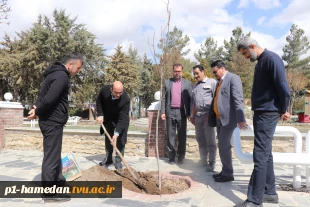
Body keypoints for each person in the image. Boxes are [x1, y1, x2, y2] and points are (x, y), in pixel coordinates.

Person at [234, 36, 290, 207]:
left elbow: (283, 86)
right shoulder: (261, 62)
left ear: (252, 46)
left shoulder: (272, 59)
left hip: (268, 113)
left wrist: (284, 108)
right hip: (262, 112)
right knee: (266, 154)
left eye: (245, 53)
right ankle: (269, 192)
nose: (245, 57)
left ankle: (254, 199)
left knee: (260, 154)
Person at [27, 53, 83, 201]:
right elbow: (50, 97)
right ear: (70, 65)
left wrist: (35, 108)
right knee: (51, 157)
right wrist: (38, 111)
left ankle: (58, 181)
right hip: (52, 122)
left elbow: (42, 95)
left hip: (52, 121)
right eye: (77, 68)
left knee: (54, 154)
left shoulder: (54, 74)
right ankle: (49, 192)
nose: (78, 71)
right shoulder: (61, 76)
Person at [208, 60, 247, 182]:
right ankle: (225, 171)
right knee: (222, 146)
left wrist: (241, 118)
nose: (214, 74)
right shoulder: (220, 81)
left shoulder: (233, 78)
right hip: (219, 119)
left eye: (215, 72)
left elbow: (238, 98)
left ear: (222, 68)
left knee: (224, 146)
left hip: (229, 120)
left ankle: (228, 174)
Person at [161, 63, 192, 164]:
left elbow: (190, 99)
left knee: (182, 136)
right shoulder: (167, 83)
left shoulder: (187, 83)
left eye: (179, 71)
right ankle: (171, 157)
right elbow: (163, 99)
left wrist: (190, 113)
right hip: (170, 111)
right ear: (173, 71)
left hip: (182, 112)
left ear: (182, 72)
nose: (177, 73)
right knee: (171, 135)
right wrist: (163, 112)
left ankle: (181, 157)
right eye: (175, 71)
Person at [96, 81, 130, 170]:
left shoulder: (126, 99)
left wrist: (117, 133)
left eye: (120, 92)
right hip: (108, 117)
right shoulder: (104, 90)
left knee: (121, 139)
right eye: (116, 92)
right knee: (108, 138)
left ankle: (118, 161)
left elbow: (122, 119)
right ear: (111, 89)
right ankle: (108, 159)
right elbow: (99, 101)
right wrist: (100, 114)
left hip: (121, 118)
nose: (118, 95)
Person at [190, 65, 217, 171]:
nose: (195, 76)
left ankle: (212, 162)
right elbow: (193, 102)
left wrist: (212, 116)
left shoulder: (212, 82)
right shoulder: (195, 86)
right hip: (198, 116)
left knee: (210, 140)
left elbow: (216, 99)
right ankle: (203, 161)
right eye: (194, 74)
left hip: (207, 116)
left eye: (197, 73)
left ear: (203, 72)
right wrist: (192, 115)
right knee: (200, 140)